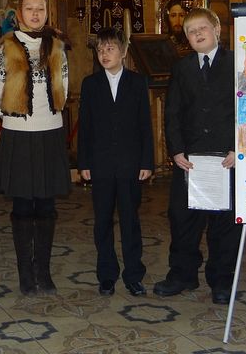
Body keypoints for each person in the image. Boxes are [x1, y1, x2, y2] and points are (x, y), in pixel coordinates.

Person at [153, 7, 241, 305]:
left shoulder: (238, 64)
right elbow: (173, 112)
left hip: (226, 157)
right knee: (183, 219)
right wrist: (176, 149)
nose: (197, 34)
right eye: (190, 31)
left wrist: (238, 147)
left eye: (202, 28)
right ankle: (182, 274)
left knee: (224, 222)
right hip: (190, 159)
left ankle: (222, 279)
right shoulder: (182, 68)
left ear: (217, 30)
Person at [0, 0, 71, 295]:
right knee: (23, 206)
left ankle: (43, 271)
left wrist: (45, 116)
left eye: (40, 8)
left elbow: (65, 86)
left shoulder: (57, 46)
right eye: (29, 8)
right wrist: (15, 117)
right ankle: (26, 272)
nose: (35, 14)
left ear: (47, 12)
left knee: (46, 206)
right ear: (19, 13)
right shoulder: (6, 47)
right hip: (19, 135)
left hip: (50, 133)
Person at [78, 28, 154, 296]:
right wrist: (83, 162)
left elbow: (145, 125)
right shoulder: (90, 84)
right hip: (100, 165)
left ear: (123, 52)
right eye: (100, 50)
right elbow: (85, 127)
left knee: (130, 220)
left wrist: (146, 162)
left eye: (110, 49)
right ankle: (107, 274)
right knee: (102, 221)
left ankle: (134, 275)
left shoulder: (137, 82)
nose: (104, 54)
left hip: (129, 164)